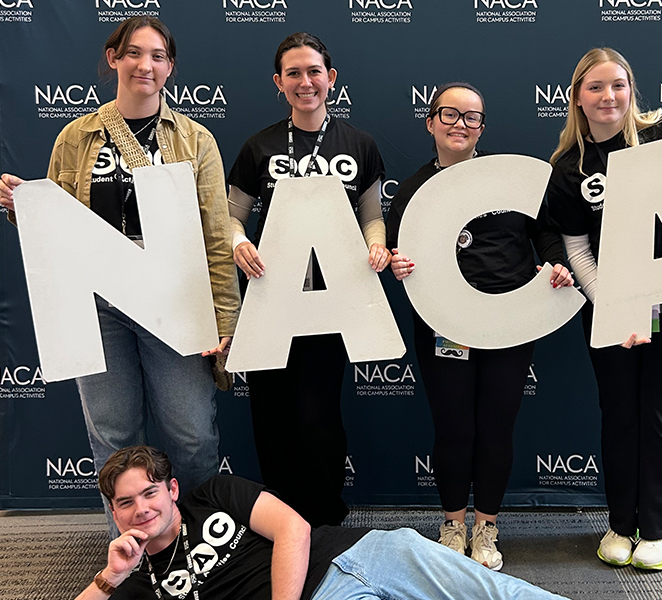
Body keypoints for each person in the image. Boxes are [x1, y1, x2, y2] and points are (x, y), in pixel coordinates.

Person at [0, 17, 240, 526]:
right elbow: (59, 228)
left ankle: (203, 543)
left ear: (170, 67)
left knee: (191, 433)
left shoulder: (196, 140)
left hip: (175, 299)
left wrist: (225, 319)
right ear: (114, 58)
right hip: (98, 302)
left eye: (157, 56)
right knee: (112, 433)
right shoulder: (76, 135)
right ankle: (131, 552)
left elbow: (216, 236)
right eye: (133, 53)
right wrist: (25, 209)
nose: (144, 65)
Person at [546, 48, 662, 570]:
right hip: (610, 306)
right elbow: (576, 248)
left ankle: (661, 530)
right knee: (620, 415)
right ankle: (621, 524)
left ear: (631, 89)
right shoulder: (568, 167)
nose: (609, 97)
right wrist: (615, 308)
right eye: (596, 87)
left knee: (658, 411)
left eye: (618, 85)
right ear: (577, 96)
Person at [386, 82, 574, 571]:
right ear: (430, 122)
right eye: (449, 114)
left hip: (510, 322)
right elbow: (392, 250)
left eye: (472, 118)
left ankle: (486, 526)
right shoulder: (412, 189)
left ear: (482, 128)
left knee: (496, 427)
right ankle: (452, 523)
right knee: (453, 427)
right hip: (443, 322)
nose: (460, 125)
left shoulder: (507, 179)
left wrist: (554, 265)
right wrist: (397, 263)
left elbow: (546, 232)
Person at [225, 32, 389, 529]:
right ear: (279, 83)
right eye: (293, 73)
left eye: (314, 71)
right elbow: (232, 217)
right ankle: (281, 521)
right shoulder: (260, 146)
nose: (305, 82)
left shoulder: (359, 143)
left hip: (330, 301)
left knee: (318, 416)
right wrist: (237, 243)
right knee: (271, 415)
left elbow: (372, 214)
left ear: (330, 78)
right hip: (272, 298)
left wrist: (376, 243)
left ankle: (323, 517)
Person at [78, 445, 570, 600]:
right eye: (126, 503)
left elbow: (294, 528)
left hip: (362, 552)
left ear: (172, 490)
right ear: (114, 512)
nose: (142, 508)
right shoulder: (140, 583)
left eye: (149, 492)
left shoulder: (214, 494)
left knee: (496, 594)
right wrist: (110, 577)